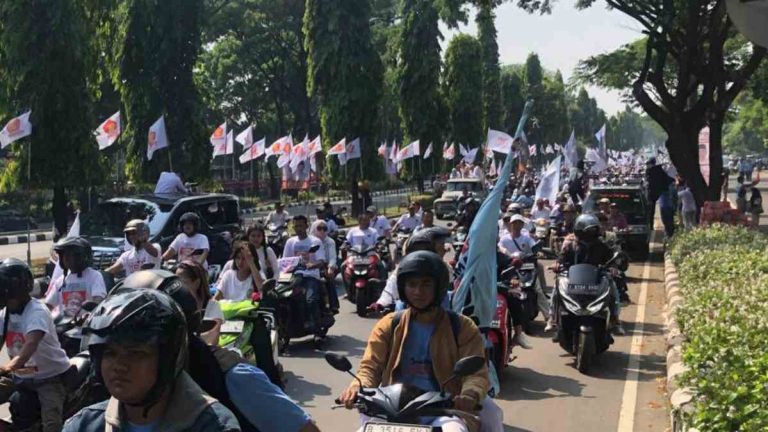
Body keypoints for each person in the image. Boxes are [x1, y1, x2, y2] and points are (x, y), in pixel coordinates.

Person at [338, 251, 490, 432]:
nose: (418, 291)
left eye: (426, 284)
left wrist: (469, 394)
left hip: (444, 411)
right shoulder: (389, 324)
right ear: (403, 288)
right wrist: (356, 387)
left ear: (439, 286)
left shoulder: (462, 327)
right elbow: (371, 366)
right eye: (412, 284)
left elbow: (475, 373)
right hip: (391, 409)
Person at [63, 289, 241, 432]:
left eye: (135, 354)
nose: (119, 366)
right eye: (110, 353)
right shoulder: (84, 425)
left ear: (168, 359)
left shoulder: (214, 426)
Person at [0, 258, 72, 432]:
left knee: (52, 424)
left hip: (48, 378)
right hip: (21, 376)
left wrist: (9, 366)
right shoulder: (6, 313)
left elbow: (31, 344)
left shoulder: (36, 311)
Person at [549, 214, 624, 335]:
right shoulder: (571, 245)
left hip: (596, 279)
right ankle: (552, 318)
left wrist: (614, 267)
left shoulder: (601, 245)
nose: (592, 233)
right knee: (556, 286)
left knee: (613, 287)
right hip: (573, 279)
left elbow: (612, 259)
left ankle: (615, 320)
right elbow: (561, 259)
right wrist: (557, 264)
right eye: (589, 230)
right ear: (580, 231)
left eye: (594, 230)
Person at [497, 215, 549, 335]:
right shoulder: (504, 239)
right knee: (508, 290)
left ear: (522, 225)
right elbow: (500, 248)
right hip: (511, 268)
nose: (517, 225)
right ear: (510, 224)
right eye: (515, 223)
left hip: (527, 266)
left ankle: (548, 318)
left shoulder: (526, 238)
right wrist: (505, 252)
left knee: (538, 290)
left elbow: (534, 246)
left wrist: (537, 252)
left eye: (519, 223)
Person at [282, 215, 326, 338]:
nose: (298, 228)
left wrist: (312, 265)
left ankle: (318, 332)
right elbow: (286, 261)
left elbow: (321, 261)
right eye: (296, 226)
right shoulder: (290, 242)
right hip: (294, 277)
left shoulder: (315, 242)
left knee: (310, 300)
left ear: (306, 226)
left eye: (301, 225)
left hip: (310, 276)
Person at [46, 237, 107, 318]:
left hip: (85, 325)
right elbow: (48, 305)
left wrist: (92, 305)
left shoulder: (94, 276)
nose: (66, 258)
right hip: (63, 326)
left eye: (71, 255)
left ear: (83, 257)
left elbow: (98, 300)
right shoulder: (60, 281)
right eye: (64, 255)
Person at [176, 260, 223, 346]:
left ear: (197, 283)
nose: (179, 286)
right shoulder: (175, 306)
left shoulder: (212, 306)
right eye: (176, 282)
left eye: (183, 282)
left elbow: (212, 340)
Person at [311, 219, 339, 314]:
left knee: (329, 279)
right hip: (310, 266)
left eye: (324, 228)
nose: (322, 231)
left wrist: (330, 268)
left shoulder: (330, 241)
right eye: (319, 228)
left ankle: (333, 305)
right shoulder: (309, 241)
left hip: (325, 266)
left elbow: (332, 257)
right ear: (314, 229)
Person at [645, 158, 674, 225]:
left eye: (648, 164)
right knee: (659, 210)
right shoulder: (658, 170)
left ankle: (651, 224)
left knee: (653, 211)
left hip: (656, 193)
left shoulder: (650, 171)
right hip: (659, 192)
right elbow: (667, 179)